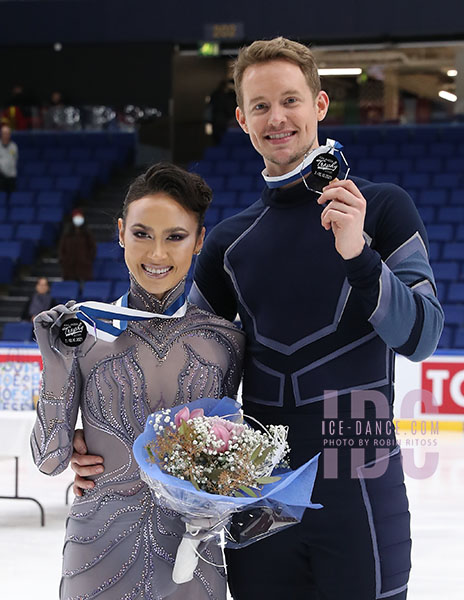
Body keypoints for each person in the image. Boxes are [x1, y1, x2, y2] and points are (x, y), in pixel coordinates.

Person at [73, 38, 444, 599]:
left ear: (319, 105)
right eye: (262, 106)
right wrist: (102, 440)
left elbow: (422, 337)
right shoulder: (228, 243)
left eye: (291, 100)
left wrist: (359, 256)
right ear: (243, 119)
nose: (278, 118)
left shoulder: (383, 208)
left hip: (361, 478)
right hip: (257, 486)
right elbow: (180, 366)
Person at [31, 163, 245, 600]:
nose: (157, 254)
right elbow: (49, 462)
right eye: (143, 234)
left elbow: (237, 452)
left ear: (199, 240)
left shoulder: (227, 340)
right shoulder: (84, 331)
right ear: (121, 233)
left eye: (175, 237)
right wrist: (56, 367)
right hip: (97, 553)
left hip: (194, 558)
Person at [58, 208, 96, 281]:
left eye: (80, 217)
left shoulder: (87, 234)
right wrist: (64, 260)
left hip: (84, 267)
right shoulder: (67, 234)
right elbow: (62, 249)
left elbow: (92, 248)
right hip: (69, 267)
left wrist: (87, 259)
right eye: (76, 217)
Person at [0, 124, 18, 197]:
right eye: (4, 133)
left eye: (7, 133)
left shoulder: (14, 146)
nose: (6, 135)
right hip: (0, 177)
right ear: (1, 134)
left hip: (11, 177)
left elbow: (15, 159)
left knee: (12, 198)